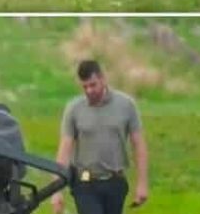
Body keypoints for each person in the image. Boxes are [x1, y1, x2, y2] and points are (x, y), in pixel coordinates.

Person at [52, 60, 149, 214]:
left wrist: (142, 183)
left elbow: (139, 145)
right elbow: (64, 149)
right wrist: (56, 190)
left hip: (115, 182)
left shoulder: (126, 105)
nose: (89, 90)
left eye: (93, 85)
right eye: (85, 87)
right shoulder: (74, 109)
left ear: (103, 79)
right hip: (85, 183)